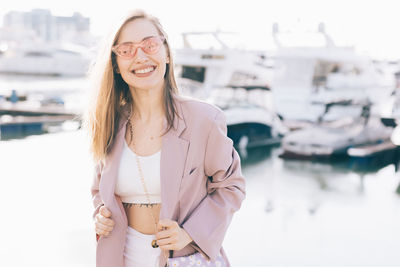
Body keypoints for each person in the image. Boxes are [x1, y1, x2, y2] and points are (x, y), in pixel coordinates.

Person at [85, 9, 245, 267]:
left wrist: (190, 233)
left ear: (166, 52)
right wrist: (100, 215)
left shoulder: (204, 119)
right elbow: (99, 190)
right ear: (115, 63)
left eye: (150, 45)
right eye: (126, 50)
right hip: (120, 256)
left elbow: (231, 186)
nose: (140, 56)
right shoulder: (109, 123)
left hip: (184, 257)